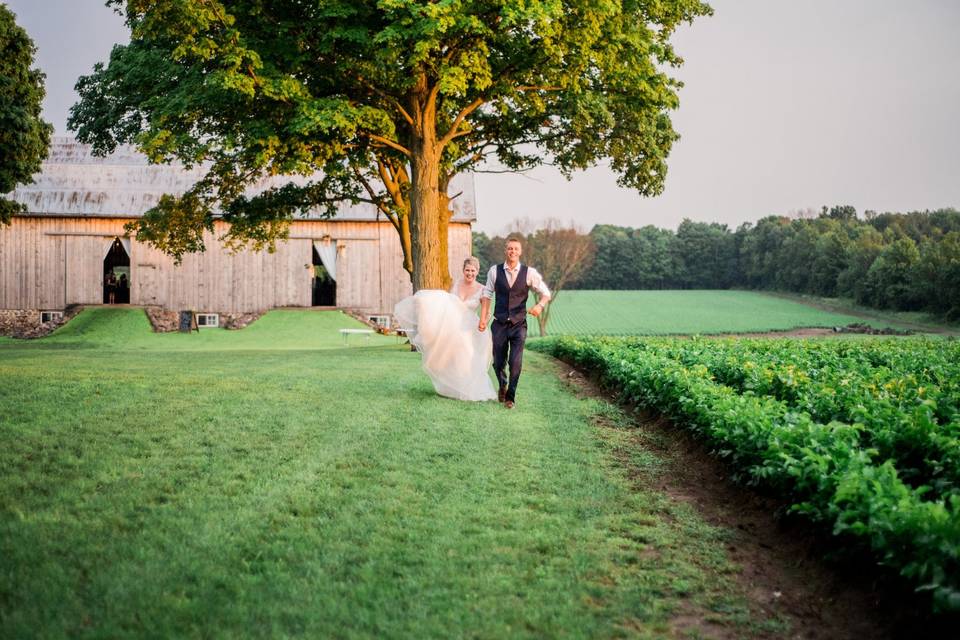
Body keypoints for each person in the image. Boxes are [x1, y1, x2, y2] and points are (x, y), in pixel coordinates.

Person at [393, 257, 497, 401]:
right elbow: (447, 303)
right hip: (450, 326)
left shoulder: (482, 289)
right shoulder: (457, 284)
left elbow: (487, 310)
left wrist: (484, 321)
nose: (470, 273)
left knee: (465, 357)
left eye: (473, 271)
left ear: (477, 272)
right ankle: (451, 388)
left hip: (467, 327)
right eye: (467, 270)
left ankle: (468, 388)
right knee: (445, 357)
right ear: (463, 270)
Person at [478, 237, 551, 409]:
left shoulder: (529, 273)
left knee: (515, 362)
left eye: (516, 249)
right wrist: (483, 319)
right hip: (499, 323)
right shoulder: (494, 271)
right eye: (510, 248)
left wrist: (539, 306)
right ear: (506, 250)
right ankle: (502, 384)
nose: (513, 252)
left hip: (519, 325)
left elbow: (545, 293)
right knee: (498, 362)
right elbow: (487, 295)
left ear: (520, 252)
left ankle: (510, 397)